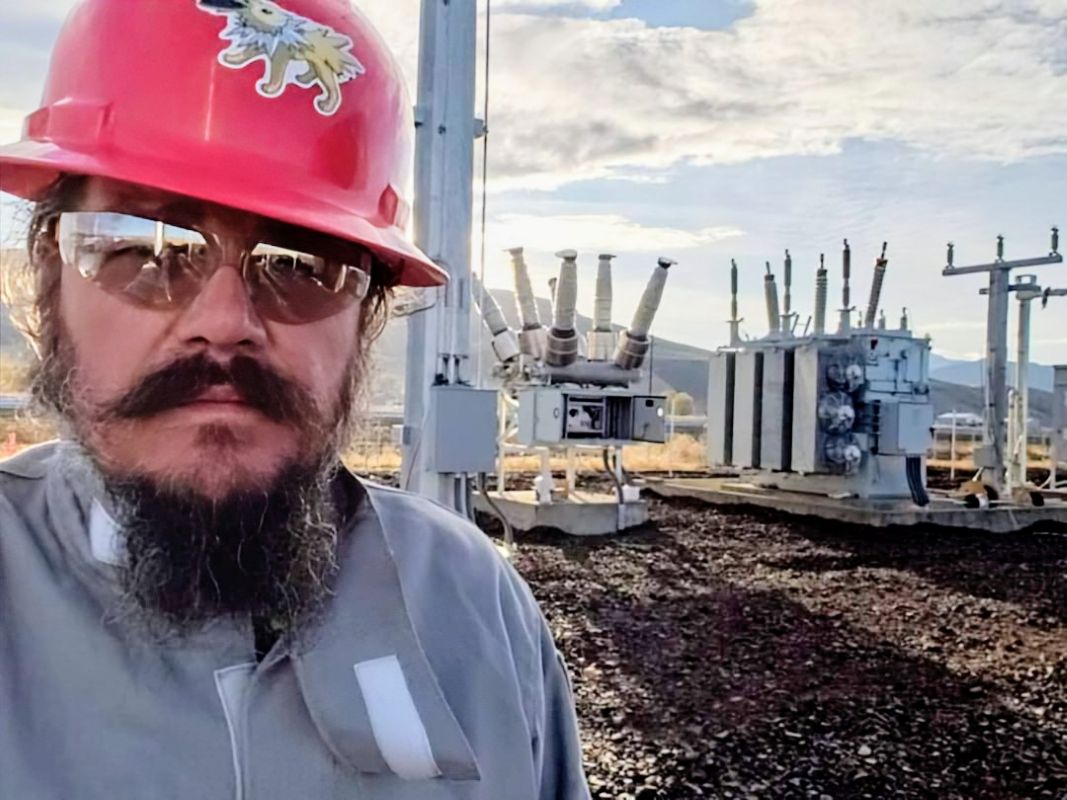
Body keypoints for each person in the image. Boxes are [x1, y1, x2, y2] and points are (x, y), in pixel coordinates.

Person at [0, 1, 591, 798]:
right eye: (148, 248)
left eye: (300, 265)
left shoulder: (468, 604)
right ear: (49, 283)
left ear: (364, 318)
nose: (224, 323)